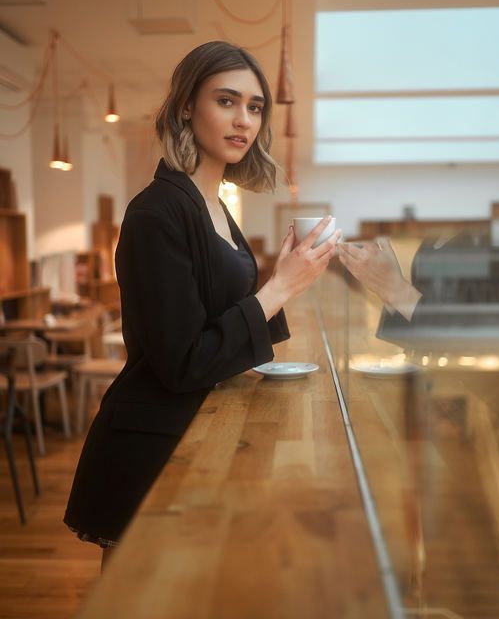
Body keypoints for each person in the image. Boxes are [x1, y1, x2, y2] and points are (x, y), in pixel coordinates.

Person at [64, 41, 340, 569]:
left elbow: (218, 319)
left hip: (194, 433)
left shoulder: (212, 204)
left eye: (255, 107)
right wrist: (279, 287)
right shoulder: (157, 211)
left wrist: (286, 279)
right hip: (150, 446)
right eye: (227, 101)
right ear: (187, 106)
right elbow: (183, 360)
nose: (244, 120)